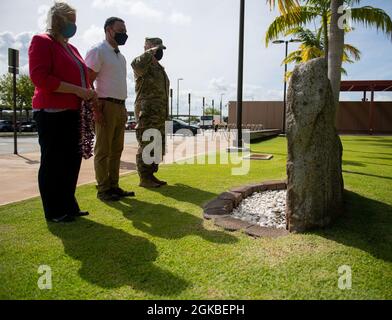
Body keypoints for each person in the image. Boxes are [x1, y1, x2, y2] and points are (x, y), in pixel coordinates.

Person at [29, 1, 96, 223]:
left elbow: (84, 76)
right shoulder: (42, 42)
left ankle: (69, 205)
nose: (74, 26)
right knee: (53, 161)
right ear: (58, 20)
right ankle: (54, 210)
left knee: (71, 160)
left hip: (74, 112)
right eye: (71, 21)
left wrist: (88, 92)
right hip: (51, 112)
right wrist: (78, 90)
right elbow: (40, 78)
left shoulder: (72, 48)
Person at [85, 17, 135, 201]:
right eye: (120, 29)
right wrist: (96, 109)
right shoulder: (98, 51)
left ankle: (114, 185)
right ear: (108, 30)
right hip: (105, 105)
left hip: (121, 106)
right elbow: (87, 81)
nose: (124, 33)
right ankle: (103, 189)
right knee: (103, 151)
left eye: (125, 30)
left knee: (116, 150)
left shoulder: (120, 57)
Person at [131, 38, 170, 188]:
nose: (159, 52)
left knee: (157, 146)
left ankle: (151, 174)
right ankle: (144, 178)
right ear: (147, 48)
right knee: (147, 145)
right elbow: (136, 64)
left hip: (159, 115)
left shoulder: (159, 68)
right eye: (156, 48)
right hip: (147, 113)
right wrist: (150, 51)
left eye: (160, 49)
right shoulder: (143, 65)